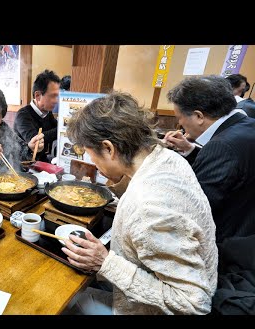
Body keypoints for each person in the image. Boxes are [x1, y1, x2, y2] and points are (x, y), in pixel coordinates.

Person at [63, 91, 218, 315]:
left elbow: (193, 304)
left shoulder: (148, 207)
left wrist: (105, 263)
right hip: (188, 276)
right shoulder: (167, 157)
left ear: (108, 148)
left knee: (69, 301)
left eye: (90, 155)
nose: (93, 163)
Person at [164, 76, 255, 314]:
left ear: (199, 116)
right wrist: (191, 150)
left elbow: (194, 208)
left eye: (180, 117)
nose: (180, 124)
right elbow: (233, 174)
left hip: (228, 246)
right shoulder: (246, 126)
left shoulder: (222, 147)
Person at [14, 69, 60, 162]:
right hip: (23, 164)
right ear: (38, 95)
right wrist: (62, 129)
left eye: (57, 96)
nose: (56, 101)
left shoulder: (47, 112)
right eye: (52, 96)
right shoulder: (22, 116)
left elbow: (56, 127)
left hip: (41, 160)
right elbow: (37, 141)